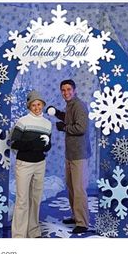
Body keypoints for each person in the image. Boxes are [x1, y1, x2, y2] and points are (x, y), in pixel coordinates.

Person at [47, 79, 91, 234]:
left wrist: (64, 128)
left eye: (68, 89)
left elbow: (81, 127)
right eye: (63, 90)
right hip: (70, 154)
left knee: (79, 189)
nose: (66, 93)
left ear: (75, 90)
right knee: (71, 188)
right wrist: (58, 113)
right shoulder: (70, 105)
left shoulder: (79, 105)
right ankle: (75, 216)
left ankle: (82, 223)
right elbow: (69, 118)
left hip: (79, 154)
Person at [11, 90, 51, 238]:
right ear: (29, 106)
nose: (37, 107)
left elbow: (47, 143)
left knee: (36, 198)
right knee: (22, 200)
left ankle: (33, 231)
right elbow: (14, 143)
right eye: (33, 105)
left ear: (43, 105)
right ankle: (19, 235)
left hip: (40, 164)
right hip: (24, 164)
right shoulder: (23, 121)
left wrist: (47, 146)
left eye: (39, 104)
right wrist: (32, 144)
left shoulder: (47, 124)